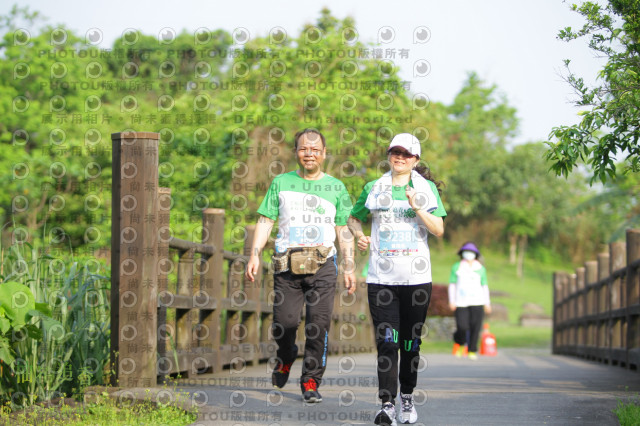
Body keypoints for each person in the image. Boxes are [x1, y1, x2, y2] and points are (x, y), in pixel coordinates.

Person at [245, 128, 356, 403]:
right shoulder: (281, 182)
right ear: (296, 152)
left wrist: (349, 266)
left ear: (324, 153)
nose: (309, 153)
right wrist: (255, 253)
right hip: (287, 266)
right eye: (304, 149)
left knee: (318, 326)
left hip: (323, 265)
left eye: (315, 149)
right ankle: (285, 356)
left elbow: (343, 229)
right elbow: (266, 220)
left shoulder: (336, 187)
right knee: (285, 323)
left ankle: (310, 381)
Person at [348, 133, 446, 425]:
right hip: (381, 278)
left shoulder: (425, 188)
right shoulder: (374, 186)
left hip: (416, 279)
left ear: (415, 159)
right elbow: (353, 217)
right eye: (395, 152)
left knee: (409, 343)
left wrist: (417, 207)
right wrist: (359, 235)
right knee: (387, 341)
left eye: (406, 153)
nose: (399, 157)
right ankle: (387, 403)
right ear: (389, 155)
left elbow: (438, 228)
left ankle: (407, 396)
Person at [448, 242, 492, 360]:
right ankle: (461, 343)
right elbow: (452, 285)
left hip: (477, 301)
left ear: (476, 254)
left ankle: (472, 350)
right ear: (462, 253)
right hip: (461, 302)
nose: (469, 254)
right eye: (467, 252)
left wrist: (487, 303)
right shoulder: (457, 267)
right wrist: (451, 301)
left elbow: (484, 286)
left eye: (472, 252)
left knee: (475, 327)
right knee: (462, 326)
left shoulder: (481, 268)